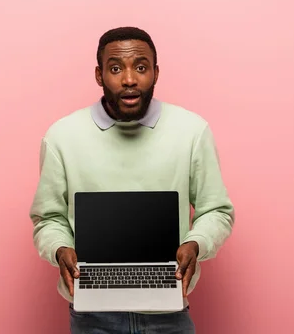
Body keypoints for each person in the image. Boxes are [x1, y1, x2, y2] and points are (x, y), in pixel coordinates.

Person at [29, 26, 235, 333]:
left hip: (169, 311)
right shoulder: (62, 137)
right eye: (115, 68)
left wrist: (196, 243)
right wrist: (60, 248)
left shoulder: (191, 131)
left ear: (156, 72)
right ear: (99, 76)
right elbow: (48, 218)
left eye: (141, 67)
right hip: (92, 316)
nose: (129, 79)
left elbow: (216, 211)